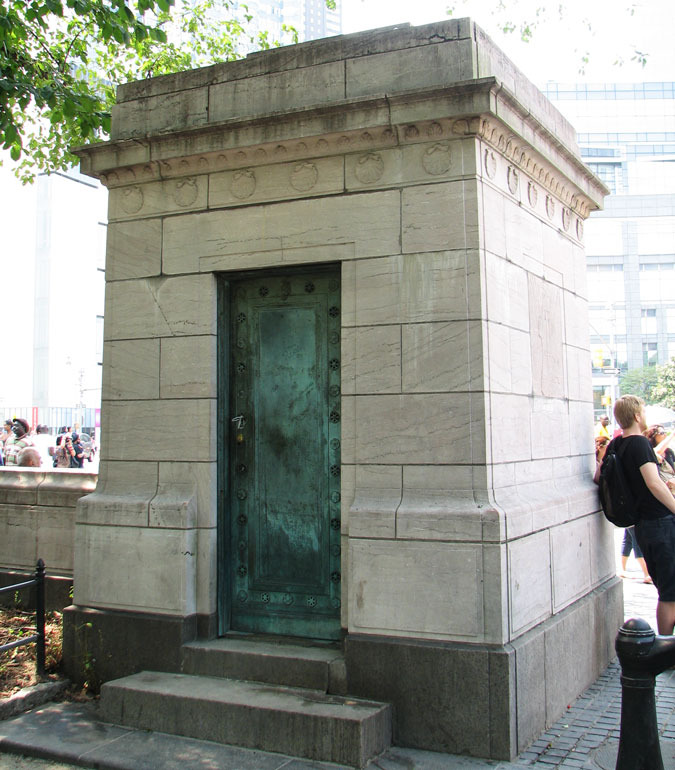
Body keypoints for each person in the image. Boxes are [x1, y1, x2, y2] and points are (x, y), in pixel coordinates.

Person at [610, 395, 675, 634]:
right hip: (660, 522)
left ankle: (666, 646)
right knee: (670, 592)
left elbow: (600, 478)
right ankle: (667, 649)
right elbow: (653, 483)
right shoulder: (639, 443)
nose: (645, 417)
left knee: (666, 589)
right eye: (644, 412)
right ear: (637, 416)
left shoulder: (616, 445)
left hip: (643, 524)